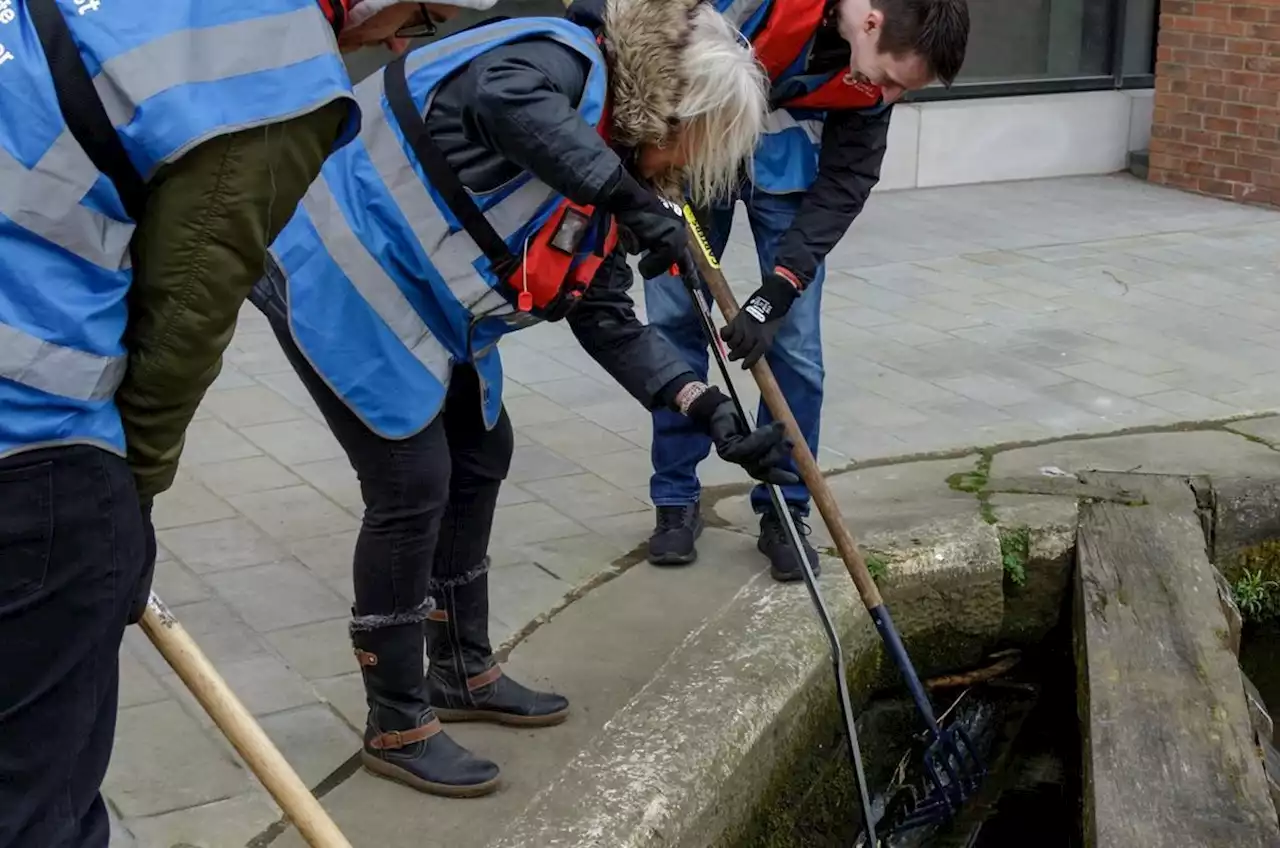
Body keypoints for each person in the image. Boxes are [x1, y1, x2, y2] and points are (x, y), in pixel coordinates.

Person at [249, 0, 784, 799]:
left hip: (422, 305)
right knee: (410, 482)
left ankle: (459, 669)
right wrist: (632, 205)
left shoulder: (617, 168)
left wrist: (708, 410)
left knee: (481, 450)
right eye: (690, 141)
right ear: (671, 106)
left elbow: (607, 320)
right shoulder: (561, 60)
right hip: (329, 258)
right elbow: (504, 100)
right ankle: (395, 719)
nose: (681, 164)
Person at [0, 1, 483, 845]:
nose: (402, 42)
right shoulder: (271, 63)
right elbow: (183, 319)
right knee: (36, 804)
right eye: (420, 12)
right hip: (27, 429)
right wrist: (126, 511)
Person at [643, 0, 970, 581]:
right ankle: (675, 498)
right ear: (870, 25)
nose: (886, 97)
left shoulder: (882, 62)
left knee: (794, 349)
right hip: (697, 152)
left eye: (904, 92)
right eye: (891, 80)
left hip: (790, 171)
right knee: (674, 320)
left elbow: (847, 180)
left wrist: (777, 290)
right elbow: (655, 64)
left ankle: (786, 511)